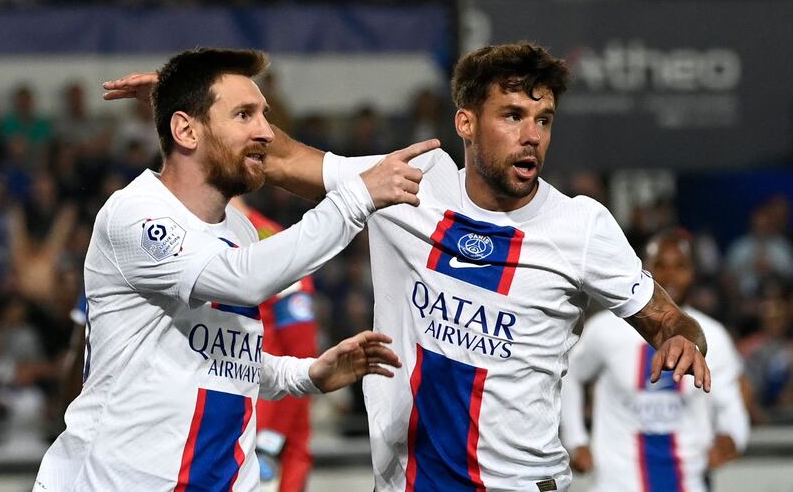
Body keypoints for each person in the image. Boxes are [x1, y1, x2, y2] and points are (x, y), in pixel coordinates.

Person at [104, 41, 711, 492]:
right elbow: (284, 156)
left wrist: (684, 339)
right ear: (466, 123)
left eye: (543, 119)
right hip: (405, 482)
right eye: (512, 116)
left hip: (520, 484)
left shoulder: (582, 227)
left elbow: (670, 321)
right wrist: (195, 107)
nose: (531, 136)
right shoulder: (411, 184)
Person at [35, 47, 440, 492]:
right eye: (245, 115)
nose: (267, 132)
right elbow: (242, 279)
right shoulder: (134, 214)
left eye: (263, 115)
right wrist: (356, 197)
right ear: (186, 130)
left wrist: (304, 375)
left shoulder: (241, 231)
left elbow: (224, 355)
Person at [560, 229, 750, 492]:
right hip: (617, 483)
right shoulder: (606, 329)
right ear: (644, 270)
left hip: (690, 482)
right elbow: (569, 375)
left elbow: (731, 402)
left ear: (693, 272)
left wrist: (732, 438)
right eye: (660, 265)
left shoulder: (713, 336)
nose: (670, 275)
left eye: (680, 266)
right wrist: (576, 440)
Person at [231, 195, 319, 491]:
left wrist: (272, 441)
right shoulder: (187, 239)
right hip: (221, 427)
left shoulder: (272, 242)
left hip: (267, 432)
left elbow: (304, 357)